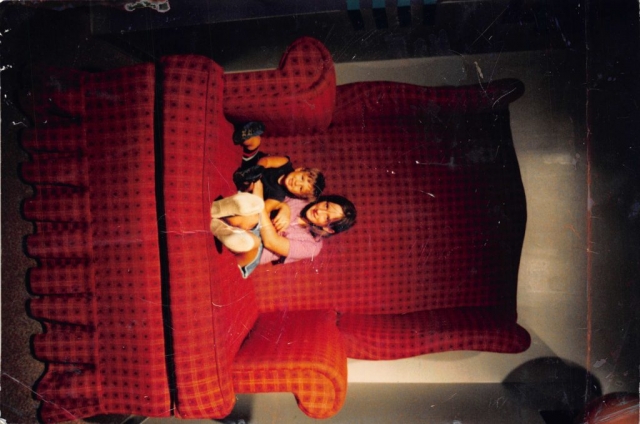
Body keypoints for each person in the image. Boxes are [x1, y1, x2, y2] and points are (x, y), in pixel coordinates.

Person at [210, 180, 356, 278]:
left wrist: (259, 202)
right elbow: (273, 196)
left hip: (252, 251)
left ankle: (226, 225)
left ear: (329, 229)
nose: (320, 211)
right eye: (326, 206)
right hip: (249, 220)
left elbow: (271, 242)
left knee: (252, 240)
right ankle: (220, 220)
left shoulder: (313, 247)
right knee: (252, 215)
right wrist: (283, 206)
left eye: (327, 218)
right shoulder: (301, 201)